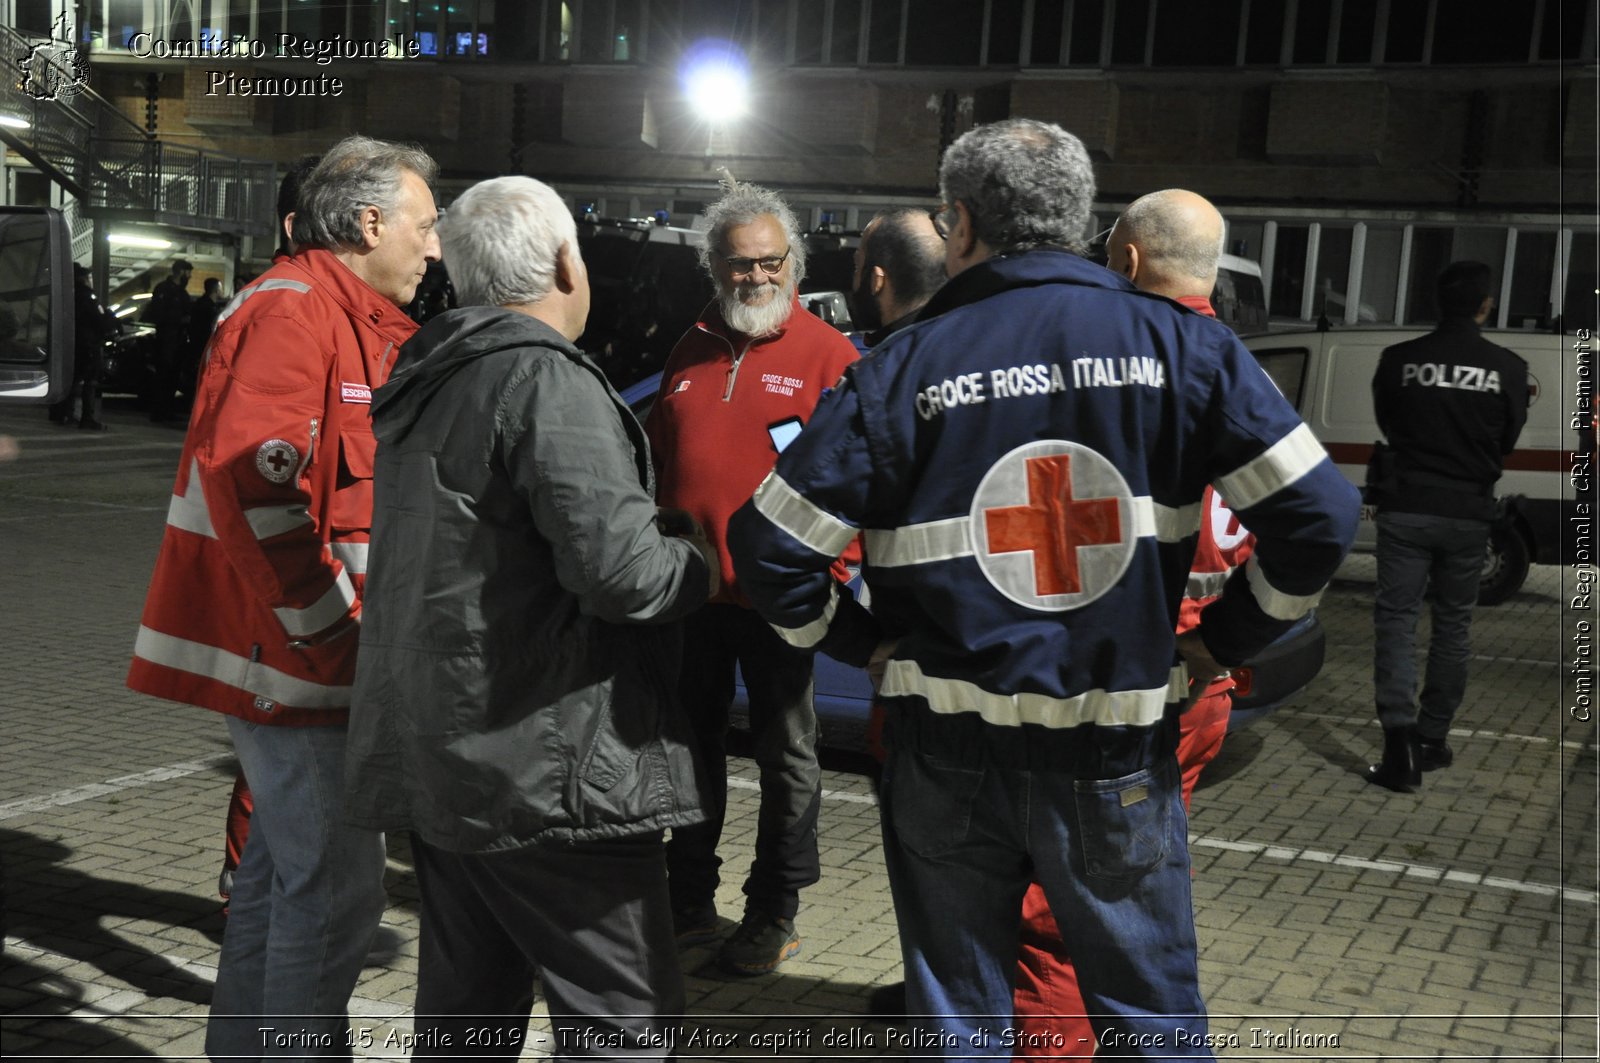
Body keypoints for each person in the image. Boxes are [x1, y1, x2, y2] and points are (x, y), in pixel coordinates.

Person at [727, 118, 1360, 1056]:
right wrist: (1227, 640)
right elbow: (1320, 517)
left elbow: (769, 546)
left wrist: (858, 643)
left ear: (960, 224)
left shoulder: (898, 368)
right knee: (1150, 1023)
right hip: (1117, 748)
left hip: (946, 751)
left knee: (964, 1021)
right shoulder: (1184, 349)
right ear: (1081, 222)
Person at [344, 174, 716, 1059]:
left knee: (465, 1022)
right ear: (562, 261)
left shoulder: (429, 378)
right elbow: (624, 575)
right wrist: (698, 560)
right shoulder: (545, 379)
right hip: (550, 770)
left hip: (451, 759)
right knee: (625, 1023)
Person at [126, 134, 441, 1061]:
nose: (434, 247)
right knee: (337, 895)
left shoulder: (352, 317)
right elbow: (255, 483)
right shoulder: (296, 312)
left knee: (276, 880)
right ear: (371, 220)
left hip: (304, 658)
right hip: (299, 663)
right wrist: (331, 633)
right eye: (425, 227)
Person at [644, 179, 859, 975]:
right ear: (714, 267)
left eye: (771, 262)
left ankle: (775, 910)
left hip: (783, 599)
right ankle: (690, 903)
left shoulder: (827, 355)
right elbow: (663, 468)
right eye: (740, 265)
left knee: (788, 755)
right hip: (694, 596)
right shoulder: (690, 349)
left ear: (793, 263)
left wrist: (828, 570)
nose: (757, 278)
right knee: (690, 749)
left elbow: (855, 484)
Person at [1366, 261, 1529, 791]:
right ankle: (1433, 739)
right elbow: (1505, 440)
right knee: (1453, 626)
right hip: (1468, 514)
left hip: (1407, 507)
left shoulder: (1399, 360)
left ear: (1439, 302)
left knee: (1396, 621)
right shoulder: (1506, 368)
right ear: (1486, 305)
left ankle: (1399, 745)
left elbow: (1388, 422)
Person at [215, 152, 322, 920]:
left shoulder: (309, 305)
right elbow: (264, 473)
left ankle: (252, 901)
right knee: (278, 753)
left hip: (294, 587)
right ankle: (247, 901)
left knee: (281, 758)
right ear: (296, 226)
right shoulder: (285, 308)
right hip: (281, 591)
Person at [847, 207, 948, 355]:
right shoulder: (969, 342)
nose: (854, 276)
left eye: (857, 267)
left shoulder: (874, 368)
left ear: (877, 281)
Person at [50, 264, 118, 430]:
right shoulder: (87, 297)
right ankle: (87, 418)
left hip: (73, 343)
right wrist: (110, 319)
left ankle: (64, 414)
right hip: (89, 344)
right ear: (83, 279)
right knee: (90, 381)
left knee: (72, 379)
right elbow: (99, 320)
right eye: (88, 277)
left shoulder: (66, 295)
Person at [142, 258, 193, 421]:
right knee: (162, 376)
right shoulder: (163, 289)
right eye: (188, 273)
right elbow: (158, 314)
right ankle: (158, 411)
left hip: (178, 341)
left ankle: (167, 410)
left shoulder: (182, 293)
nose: (190, 276)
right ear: (180, 272)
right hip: (166, 340)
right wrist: (179, 320)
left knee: (173, 377)